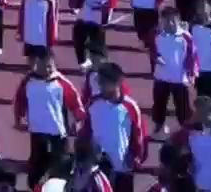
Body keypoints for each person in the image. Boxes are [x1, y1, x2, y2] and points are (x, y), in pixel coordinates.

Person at [14, 51, 84, 192]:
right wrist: (18, 118)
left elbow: (76, 104)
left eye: (50, 66)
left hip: (57, 134)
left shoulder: (62, 83)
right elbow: (20, 101)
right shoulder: (28, 81)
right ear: (36, 64)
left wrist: (78, 121)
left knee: (59, 168)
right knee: (36, 166)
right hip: (37, 132)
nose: (48, 70)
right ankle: (34, 187)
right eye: (44, 66)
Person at [81, 64, 147, 192]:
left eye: (103, 82)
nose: (99, 85)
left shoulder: (130, 107)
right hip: (98, 168)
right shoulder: (93, 103)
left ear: (117, 83)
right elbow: (86, 130)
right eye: (99, 81)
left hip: (122, 167)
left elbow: (139, 135)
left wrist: (136, 157)